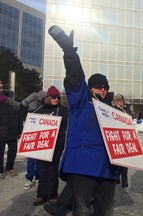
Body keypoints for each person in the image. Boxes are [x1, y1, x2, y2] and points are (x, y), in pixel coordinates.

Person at [48, 25, 123, 215]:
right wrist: (68, 50)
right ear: (90, 89)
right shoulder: (82, 101)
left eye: (105, 87)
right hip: (83, 164)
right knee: (81, 211)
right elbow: (75, 77)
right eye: (98, 87)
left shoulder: (114, 112)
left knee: (105, 211)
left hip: (108, 168)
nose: (102, 90)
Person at [32, 86, 68, 206]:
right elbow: (31, 120)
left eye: (58, 97)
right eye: (53, 97)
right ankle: (41, 195)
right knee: (42, 169)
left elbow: (71, 122)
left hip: (58, 144)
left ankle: (52, 195)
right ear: (48, 98)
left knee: (53, 169)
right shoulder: (41, 109)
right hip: (44, 144)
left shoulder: (63, 110)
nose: (56, 99)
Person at [0, 89, 22, 179]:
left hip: (13, 133)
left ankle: (9, 168)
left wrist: (20, 131)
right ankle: (0, 170)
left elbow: (19, 119)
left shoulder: (15, 107)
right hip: (1, 134)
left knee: (13, 152)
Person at [112, 94, 132, 188]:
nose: (119, 103)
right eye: (117, 101)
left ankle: (125, 181)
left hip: (125, 139)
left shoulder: (126, 111)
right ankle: (116, 179)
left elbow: (130, 119)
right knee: (116, 162)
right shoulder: (111, 110)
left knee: (125, 163)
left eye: (120, 101)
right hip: (115, 139)